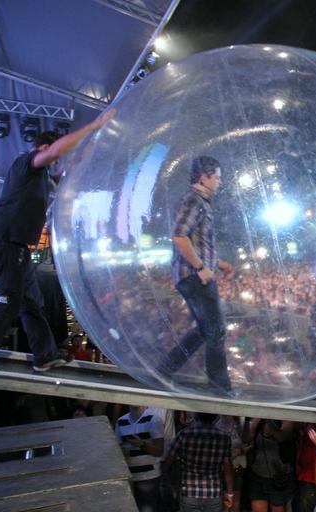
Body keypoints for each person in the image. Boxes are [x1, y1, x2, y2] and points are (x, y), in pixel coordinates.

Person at [0, 108, 115, 371]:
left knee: (31, 305)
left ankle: (45, 355)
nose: (54, 162)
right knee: (8, 304)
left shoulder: (41, 178)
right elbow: (53, 154)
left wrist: (89, 148)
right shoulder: (27, 162)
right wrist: (94, 125)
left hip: (20, 247)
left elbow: (66, 173)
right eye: (52, 154)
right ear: (44, 147)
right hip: (5, 242)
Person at [157, 156, 234, 394]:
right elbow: (179, 236)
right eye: (217, 177)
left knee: (204, 330)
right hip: (194, 276)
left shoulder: (200, 202)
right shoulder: (194, 200)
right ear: (204, 177)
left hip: (192, 273)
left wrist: (218, 263)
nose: (220, 182)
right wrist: (201, 268)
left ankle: (166, 369)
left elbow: (194, 241)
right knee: (216, 331)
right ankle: (220, 387)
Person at [165, 412, 234, 512]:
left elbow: (169, 458)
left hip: (189, 492)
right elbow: (228, 468)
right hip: (213, 492)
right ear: (215, 417)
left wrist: (166, 477)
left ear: (196, 415)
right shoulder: (224, 437)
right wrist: (230, 493)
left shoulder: (184, 434)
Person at [116, 405, 165, 512]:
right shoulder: (121, 421)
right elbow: (117, 451)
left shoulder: (154, 419)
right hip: (128, 477)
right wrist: (122, 451)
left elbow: (159, 451)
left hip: (148, 477)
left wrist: (142, 444)